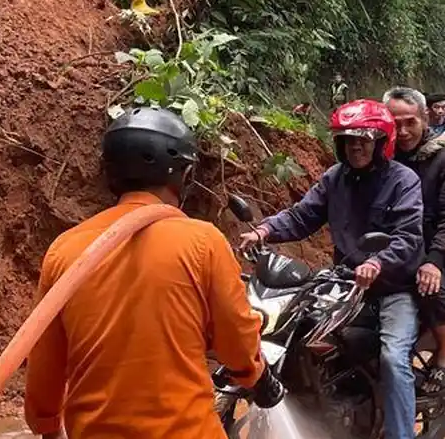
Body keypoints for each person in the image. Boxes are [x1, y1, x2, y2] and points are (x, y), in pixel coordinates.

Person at [23, 107, 279, 439]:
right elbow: (237, 345)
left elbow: (45, 365)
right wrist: (258, 378)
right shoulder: (203, 242)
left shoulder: (66, 250)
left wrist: (47, 427)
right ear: (180, 174)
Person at [239, 99, 423, 439]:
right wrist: (263, 230)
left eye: (364, 139)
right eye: (348, 140)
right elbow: (302, 215)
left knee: (394, 360)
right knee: (304, 337)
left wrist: (376, 262)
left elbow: (408, 236)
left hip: (393, 286)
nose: (356, 147)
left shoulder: (403, 181)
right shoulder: (335, 178)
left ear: (381, 142)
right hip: (346, 281)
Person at [383, 87, 445, 389]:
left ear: (425, 119)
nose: (403, 131)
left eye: (410, 122)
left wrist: (434, 261)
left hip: (431, 250)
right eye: (395, 123)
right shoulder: (380, 160)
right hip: (390, 248)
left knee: (429, 288)